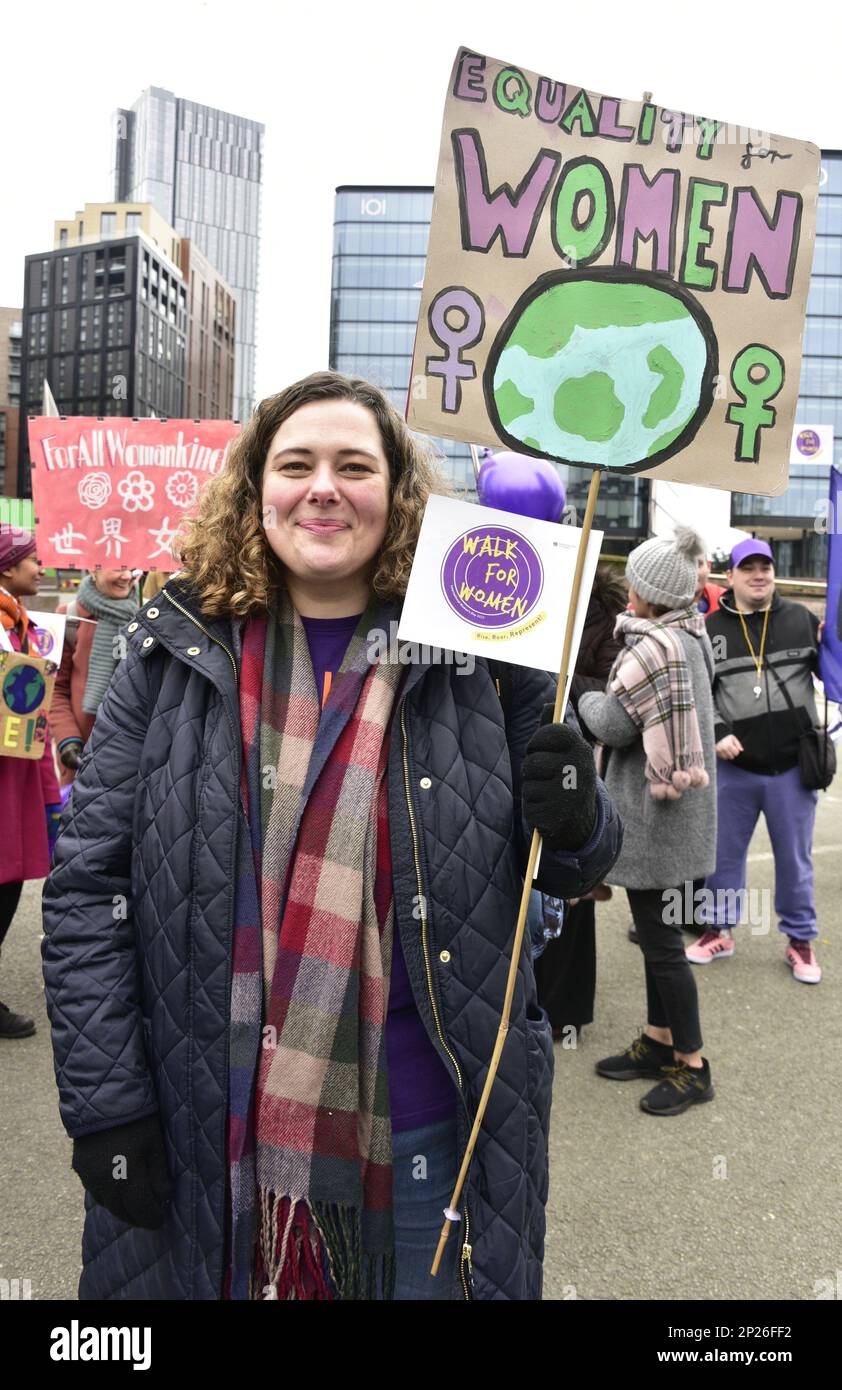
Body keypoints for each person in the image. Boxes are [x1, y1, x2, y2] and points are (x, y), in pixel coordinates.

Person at [42, 372, 622, 1301]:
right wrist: (106, 1108)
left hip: (435, 1132)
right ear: (255, 490)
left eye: (355, 465)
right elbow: (86, 892)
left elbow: (579, 865)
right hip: (205, 1128)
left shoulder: (477, 651)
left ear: (397, 497)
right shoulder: (172, 651)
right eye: (295, 463)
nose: (323, 487)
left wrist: (578, 803)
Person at [577, 527, 717, 1116]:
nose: (627, 584)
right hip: (682, 822)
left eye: (635, 577)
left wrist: (576, 698)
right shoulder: (689, 635)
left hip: (658, 824)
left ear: (649, 591)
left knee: (662, 948)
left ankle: (693, 1064)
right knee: (661, 942)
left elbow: (612, 724)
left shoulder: (654, 648)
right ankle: (660, 1043)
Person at [687, 539, 824, 984]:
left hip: (792, 766)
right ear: (731, 577)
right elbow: (700, 693)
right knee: (723, 857)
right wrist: (718, 732)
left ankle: (800, 941)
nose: (759, 574)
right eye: (749, 568)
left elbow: (832, 673)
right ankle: (718, 930)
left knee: (795, 861)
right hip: (734, 767)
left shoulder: (803, 620)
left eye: (765, 566)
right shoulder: (709, 628)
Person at [537, 563, 628, 1037]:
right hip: (534, 745)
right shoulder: (534, 599)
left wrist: (557, 682)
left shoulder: (606, 616)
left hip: (580, 755)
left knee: (573, 884)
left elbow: (611, 689)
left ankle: (566, 1010)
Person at [0, 527, 62, 1039]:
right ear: (7, 568)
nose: (40, 569)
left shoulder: (22, 625)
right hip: (4, 778)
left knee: (8, 885)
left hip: (15, 775)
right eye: (32, 561)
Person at [51, 566, 140, 783]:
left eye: (131, 568)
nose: (127, 576)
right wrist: (68, 739)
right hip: (82, 756)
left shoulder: (148, 617)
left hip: (133, 755)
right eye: (118, 568)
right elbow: (55, 689)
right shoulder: (68, 617)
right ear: (93, 570)